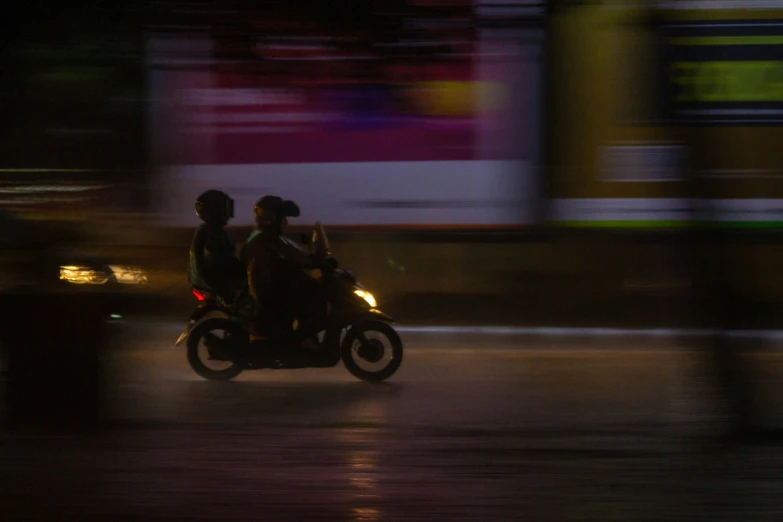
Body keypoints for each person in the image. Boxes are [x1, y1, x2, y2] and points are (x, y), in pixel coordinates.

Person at [241, 195, 324, 346]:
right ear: (273, 217)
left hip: (269, 287)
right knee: (311, 297)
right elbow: (292, 253)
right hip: (267, 292)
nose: (285, 220)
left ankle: (300, 337)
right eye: (282, 216)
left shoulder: (265, 235)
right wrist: (310, 262)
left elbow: (290, 253)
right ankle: (299, 340)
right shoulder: (267, 237)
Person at [188, 189, 244, 303]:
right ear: (216, 210)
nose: (228, 212)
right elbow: (222, 260)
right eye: (225, 207)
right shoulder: (213, 232)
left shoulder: (204, 229)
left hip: (203, 282)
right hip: (214, 283)